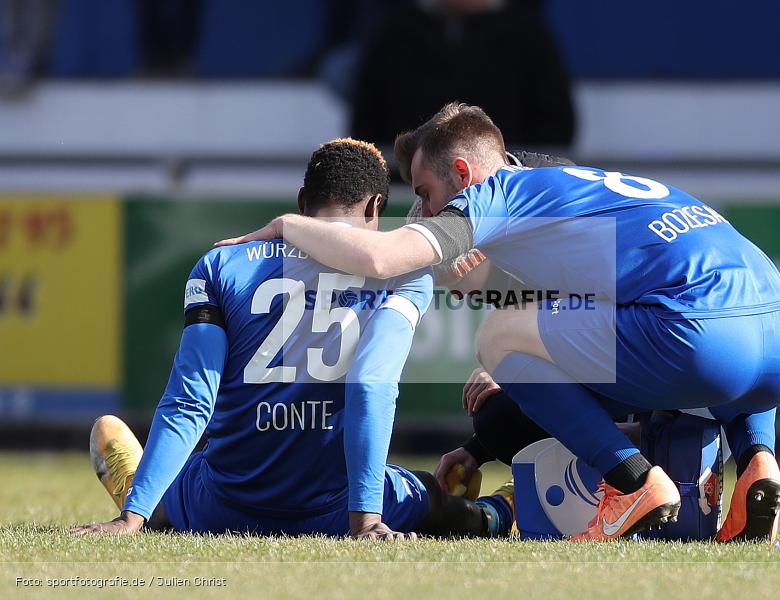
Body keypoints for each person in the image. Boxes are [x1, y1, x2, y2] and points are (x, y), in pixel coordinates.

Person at [214, 104, 780, 544]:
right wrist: (482, 446)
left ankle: (632, 483)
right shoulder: (580, 189)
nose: (423, 212)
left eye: (424, 193)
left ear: (463, 173)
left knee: (497, 339)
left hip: (702, 341)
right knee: (539, 334)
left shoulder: (495, 193)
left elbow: (382, 258)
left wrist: (285, 227)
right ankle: (759, 462)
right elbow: (533, 295)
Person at [71, 138, 513, 540]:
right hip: (335, 513)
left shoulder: (220, 264)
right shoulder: (403, 274)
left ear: (303, 203)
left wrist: (128, 522)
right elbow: (370, 384)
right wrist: (366, 522)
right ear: (377, 207)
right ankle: (500, 511)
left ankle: (142, 498)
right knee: (421, 493)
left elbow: (191, 401)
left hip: (223, 509)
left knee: (192, 480)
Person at [351, 0, 574, 149]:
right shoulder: (395, 33)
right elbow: (367, 119)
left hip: (504, 199)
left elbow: (555, 124)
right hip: (408, 190)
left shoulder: (528, 35)